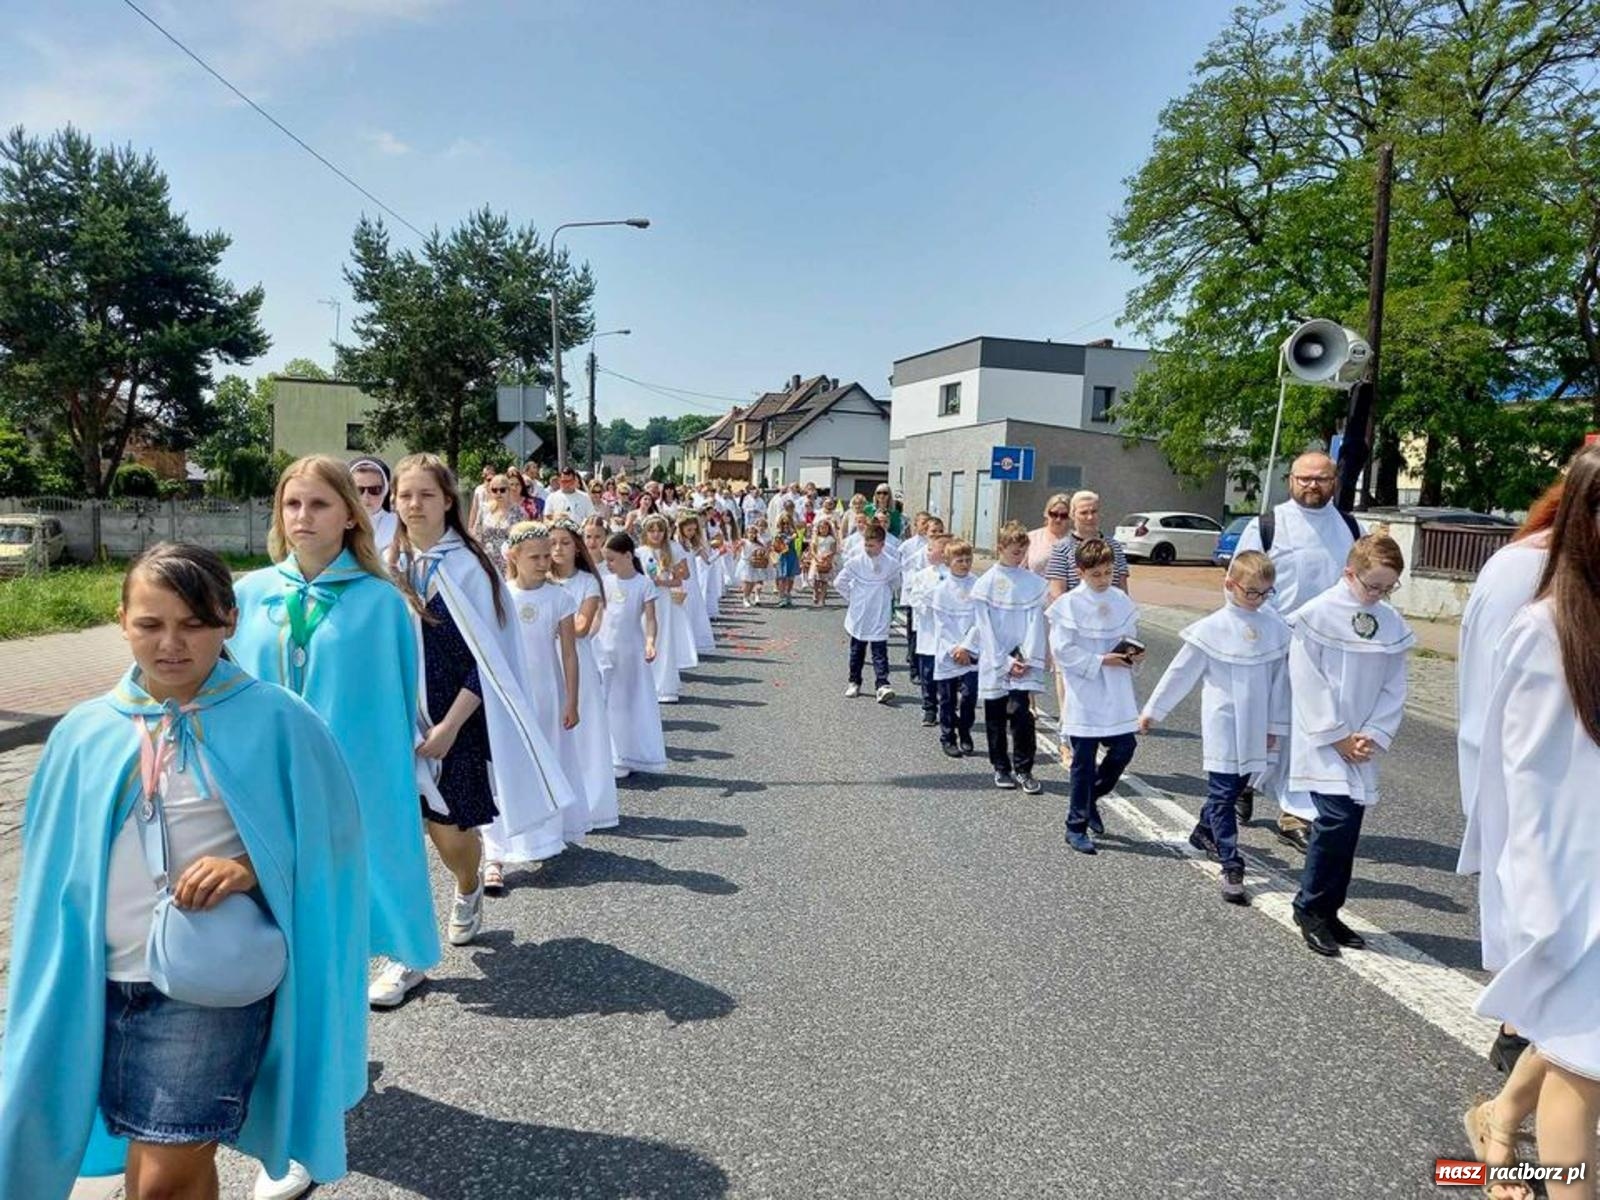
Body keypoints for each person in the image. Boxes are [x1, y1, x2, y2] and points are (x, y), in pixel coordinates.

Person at [0, 543, 367, 1200]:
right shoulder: (85, 731)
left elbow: (334, 844)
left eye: (194, 624)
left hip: (207, 984)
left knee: (163, 1178)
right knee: (146, 1166)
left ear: (229, 619)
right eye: (150, 624)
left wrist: (249, 866)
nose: (171, 644)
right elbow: (50, 881)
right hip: (98, 984)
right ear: (122, 621)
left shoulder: (281, 720)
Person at [230, 456, 440, 1024]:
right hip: (265, 779)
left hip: (352, 776)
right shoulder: (249, 594)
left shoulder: (382, 602)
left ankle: (348, 1027)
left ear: (350, 514)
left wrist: (394, 781)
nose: (303, 516)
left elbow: (396, 702)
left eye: (319, 504)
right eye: (292, 504)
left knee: (345, 911)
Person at [1460, 446, 1600, 1200]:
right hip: (1579, 891)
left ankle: (1500, 1115)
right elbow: (1529, 786)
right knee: (1585, 1065)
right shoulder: (1547, 630)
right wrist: (1545, 919)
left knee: (1581, 1043)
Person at [390, 454, 574, 951]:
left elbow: (491, 661)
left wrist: (449, 726)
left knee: (449, 830)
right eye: (405, 495)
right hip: (398, 719)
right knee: (399, 829)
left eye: (426, 494)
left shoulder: (470, 569)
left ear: (448, 501)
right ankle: (406, 946)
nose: (414, 504)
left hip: (458, 718)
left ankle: (468, 885)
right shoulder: (389, 566)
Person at [1455, 478, 1561, 1076]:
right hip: (1541, 768)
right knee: (1534, 893)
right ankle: (1518, 1027)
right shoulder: (1524, 569)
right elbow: (1489, 693)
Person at [1286, 534, 1413, 958]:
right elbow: (1307, 681)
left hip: (1361, 742)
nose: (1378, 595)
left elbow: (1394, 686)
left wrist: (1373, 732)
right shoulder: (1317, 614)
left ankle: (1329, 909)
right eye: (1372, 585)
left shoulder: (1390, 621)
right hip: (1326, 738)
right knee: (1335, 821)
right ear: (1349, 573)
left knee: (1349, 825)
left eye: (1388, 588)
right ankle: (1309, 908)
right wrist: (1337, 735)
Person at [1138, 550, 1291, 902]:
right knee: (1223, 793)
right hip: (1223, 721)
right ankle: (1231, 863)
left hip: (1257, 724)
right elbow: (1180, 673)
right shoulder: (1212, 628)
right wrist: (1153, 710)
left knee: (1236, 788)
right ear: (1230, 584)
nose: (1258, 599)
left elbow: (1281, 684)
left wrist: (1275, 727)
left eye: (1265, 593)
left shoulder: (1274, 628)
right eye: (1251, 592)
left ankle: (1203, 832)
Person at [1234, 451, 1362, 849]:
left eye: (1321, 478)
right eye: (1304, 478)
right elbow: (1241, 582)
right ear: (1290, 480)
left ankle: (1296, 812)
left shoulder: (1350, 527)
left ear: (1334, 481)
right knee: (1266, 723)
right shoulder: (1267, 526)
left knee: (1310, 729)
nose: (1312, 485)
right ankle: (1245, 781)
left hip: (1329, 647)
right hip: (1276, 640)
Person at [482, 523, 587, 889]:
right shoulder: (499, 595)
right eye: (535, 557)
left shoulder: (559, 597)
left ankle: (543, 838)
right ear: (513, 556)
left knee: (546, 763)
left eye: (547, 556)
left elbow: (569, 653)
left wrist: (572, 699)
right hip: (509, 696)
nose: (544, 563)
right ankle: (494, 853)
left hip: (547, 694)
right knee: (503, 768)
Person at [1047, 538, 1142, 843]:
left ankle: (1091, 797)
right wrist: (1101, 660)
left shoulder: (1121, 600)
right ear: (1081, 572)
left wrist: (1133, 655)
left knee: (1125, 747)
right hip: (1085, 692)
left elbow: (1131, 637)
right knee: (1083, 762)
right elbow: (1062, 650)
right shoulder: (1068, 605)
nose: (1103, 579)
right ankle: (1075, 826)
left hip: (1116, 690)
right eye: (1096, 574)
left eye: (1108, 572)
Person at [962, 521, 1049, 791]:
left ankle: (1024, 768)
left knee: (1022, 714)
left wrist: (1026, 657)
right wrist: (1005, 661)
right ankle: (1001, 767)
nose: (1019, 554)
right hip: (996, 659)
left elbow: (1036, 623)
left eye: (1023, 550)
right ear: (1001, 547)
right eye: (1014, 550)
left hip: (1024, 659)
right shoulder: (986, 583)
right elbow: (985, 629)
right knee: (996, 716)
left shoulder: (1034, 583)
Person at [546, 518, 621, 828]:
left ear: (577, 548)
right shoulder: (539, 580)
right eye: (552, 543)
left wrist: (548, 622)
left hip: (577, 661)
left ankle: (591, 803)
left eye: (565, 542)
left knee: (584, 735)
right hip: (544, 661)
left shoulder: (587, 582)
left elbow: (581, 626)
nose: (558, 549)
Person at [595, 531, 669, 777]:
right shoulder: (605, 582)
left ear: (628, 556)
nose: (608, 564)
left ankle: (629, 753)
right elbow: (598, 616)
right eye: (606, 559)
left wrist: (650, 642)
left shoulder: (643, 584)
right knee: (606, 701)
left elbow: (651, 619)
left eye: (612, 559)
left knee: (627, 702)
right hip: (605, 649)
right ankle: (610, 754)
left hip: (631, 652)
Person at [835, 523, 900, 703]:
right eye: (866, 544)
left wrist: (883, 595)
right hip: (861, 613)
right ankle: (854, 681)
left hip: (879, 611)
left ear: (882, 544)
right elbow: (839, 583)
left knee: (880, 651)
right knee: (857, 651)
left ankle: (882, 684)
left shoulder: (891, 563)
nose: (868, 548)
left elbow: (896, 583)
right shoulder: (856, 562)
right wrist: (853, 598)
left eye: (872, 545)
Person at [638, 513, 697, 703]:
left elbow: (682, 578)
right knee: (644, 637)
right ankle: (643, 684)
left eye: (660, 531)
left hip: (664, 600)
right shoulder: (639, 552)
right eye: (652, 531)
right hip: (643, 601)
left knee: (663, 639)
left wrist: (666, 578)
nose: (656, 535)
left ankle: (664, 685)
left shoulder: (673, 549)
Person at [929, 537, 979, 758]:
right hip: (949, 650)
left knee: (969, 695)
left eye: (968, 559)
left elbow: (981, 619)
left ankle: (965, 731)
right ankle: (948, 736)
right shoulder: (941, 590)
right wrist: (955, 649)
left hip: (972, 650)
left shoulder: (978, 585)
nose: (965, 564)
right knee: (948, 698)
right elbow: (942, 624)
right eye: (959, 560)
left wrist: (967, 647)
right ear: (948, 562)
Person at [902, 531, 951, 727]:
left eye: (931, 549)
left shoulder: (954, 576)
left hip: (949, 635)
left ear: (945, 552)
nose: (927, 553)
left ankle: (948, 708)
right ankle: (929, 708)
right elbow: (914, 598)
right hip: (928, 632)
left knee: (947, 675)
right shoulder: (921, 576)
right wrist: (928, 602)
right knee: (928, 674)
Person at [1045, 490, 1129, 598]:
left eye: (1094, 512)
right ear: (1072, 515)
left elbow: (1123, 590)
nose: (1090, 517)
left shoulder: (1114, 547)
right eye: (1084, 513)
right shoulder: (1061, 549)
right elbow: (1057, 594)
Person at [675, 511, 718, 653]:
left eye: (694, 530)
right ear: (681, 528)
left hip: (693, 582)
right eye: (689, 530)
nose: (692, 533)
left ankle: (694, 642)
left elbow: (708, 561)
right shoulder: (674, 544)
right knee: (681, 611)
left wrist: (720, 553)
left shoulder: (693, 544)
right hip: (680, 581)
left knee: (694, 610)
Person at [349, 457, 399, 556]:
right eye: (358, 490)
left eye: (375, 490)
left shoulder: (399, 524)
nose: (366, 497)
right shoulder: (338, 525)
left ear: (385, 490)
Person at [474, 473, 517, 571]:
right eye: (494, 490)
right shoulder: (484, 509)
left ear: (509, 490)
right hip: (487, 561)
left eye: (502, 490)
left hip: (508, 562)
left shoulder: (518, 512)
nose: (498, 493)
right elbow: (477, 534)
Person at [1028, 494, 1073, 577]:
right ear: (1046, 513)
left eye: (1064, 516)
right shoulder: (1031, 538)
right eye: (1054, 514)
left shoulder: (1076, 540)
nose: (1058, 519)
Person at [771, 512, 803, 608]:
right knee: (781, 577)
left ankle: (788, 593)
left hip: (791, 556)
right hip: (782, 557)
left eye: (787, 523)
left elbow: (796, 535)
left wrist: (791, 536)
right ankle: (782, 596)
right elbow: (775, 545)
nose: (785, 525)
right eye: (783, 523)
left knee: (790, 577)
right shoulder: (778, 533)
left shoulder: (793, 532)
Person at [807, 516, 840, 606]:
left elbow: (833, 550)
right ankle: (815, 592)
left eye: (825, 528)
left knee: (824, 580)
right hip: (817, 559)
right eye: (821, 528)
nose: (823, 530)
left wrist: (827, 556)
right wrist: (816, 557)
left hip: (827, 560)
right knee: (816, 579)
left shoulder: (831, 539)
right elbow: (813, 550)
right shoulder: (816, 538)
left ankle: (822, 598)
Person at [737, 522, 771, 607]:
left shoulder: (758, 544)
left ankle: (748, 597)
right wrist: (737, 548)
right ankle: (745, 598)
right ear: (746, 533)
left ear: (756, 534)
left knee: (752, 583)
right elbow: (738, 546)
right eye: (750, 533)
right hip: (745, 563)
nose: (752, 535)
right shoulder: (744, 541)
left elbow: (765, 551)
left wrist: (764, 554)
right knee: (747, 582)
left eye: (754, 533)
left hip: (753, 564)